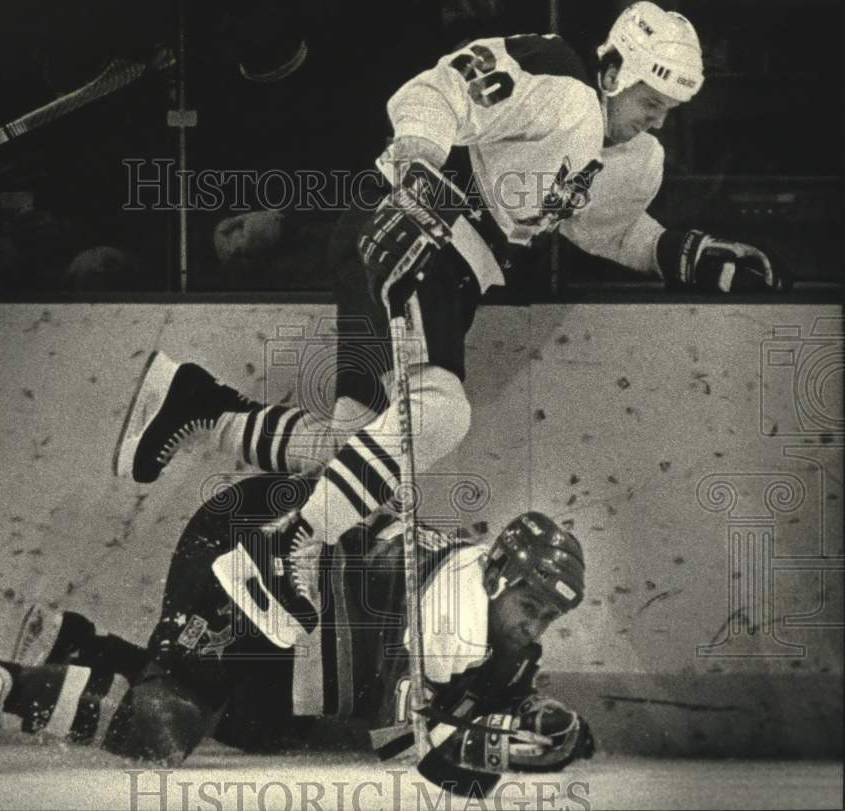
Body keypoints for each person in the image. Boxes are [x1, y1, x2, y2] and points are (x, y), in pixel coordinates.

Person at [109, 1, 790, 614]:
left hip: (452, 276)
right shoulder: (561, 85)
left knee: (363, 448)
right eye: (651, 96)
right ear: (616, 67)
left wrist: (681, 252)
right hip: (412, 230)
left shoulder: (635, 157)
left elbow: (603, 227)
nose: (657, 116)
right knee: (440, 413)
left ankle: (200, 407)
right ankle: (289, 545)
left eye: (671, 106)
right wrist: (418, 154)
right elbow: (435, 89)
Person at [0, 473, 593, 790]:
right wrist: (492, 746)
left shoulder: (481, 597)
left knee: (259, 726)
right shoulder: (454, 607)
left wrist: (545, 718)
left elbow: (486, 682)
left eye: (546, 617)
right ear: (498, 579)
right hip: (244, 557)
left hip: (277, 586)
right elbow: (399, 741)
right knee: (160, 729)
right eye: (532, 606)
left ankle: (75, 646)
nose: (535, 626)